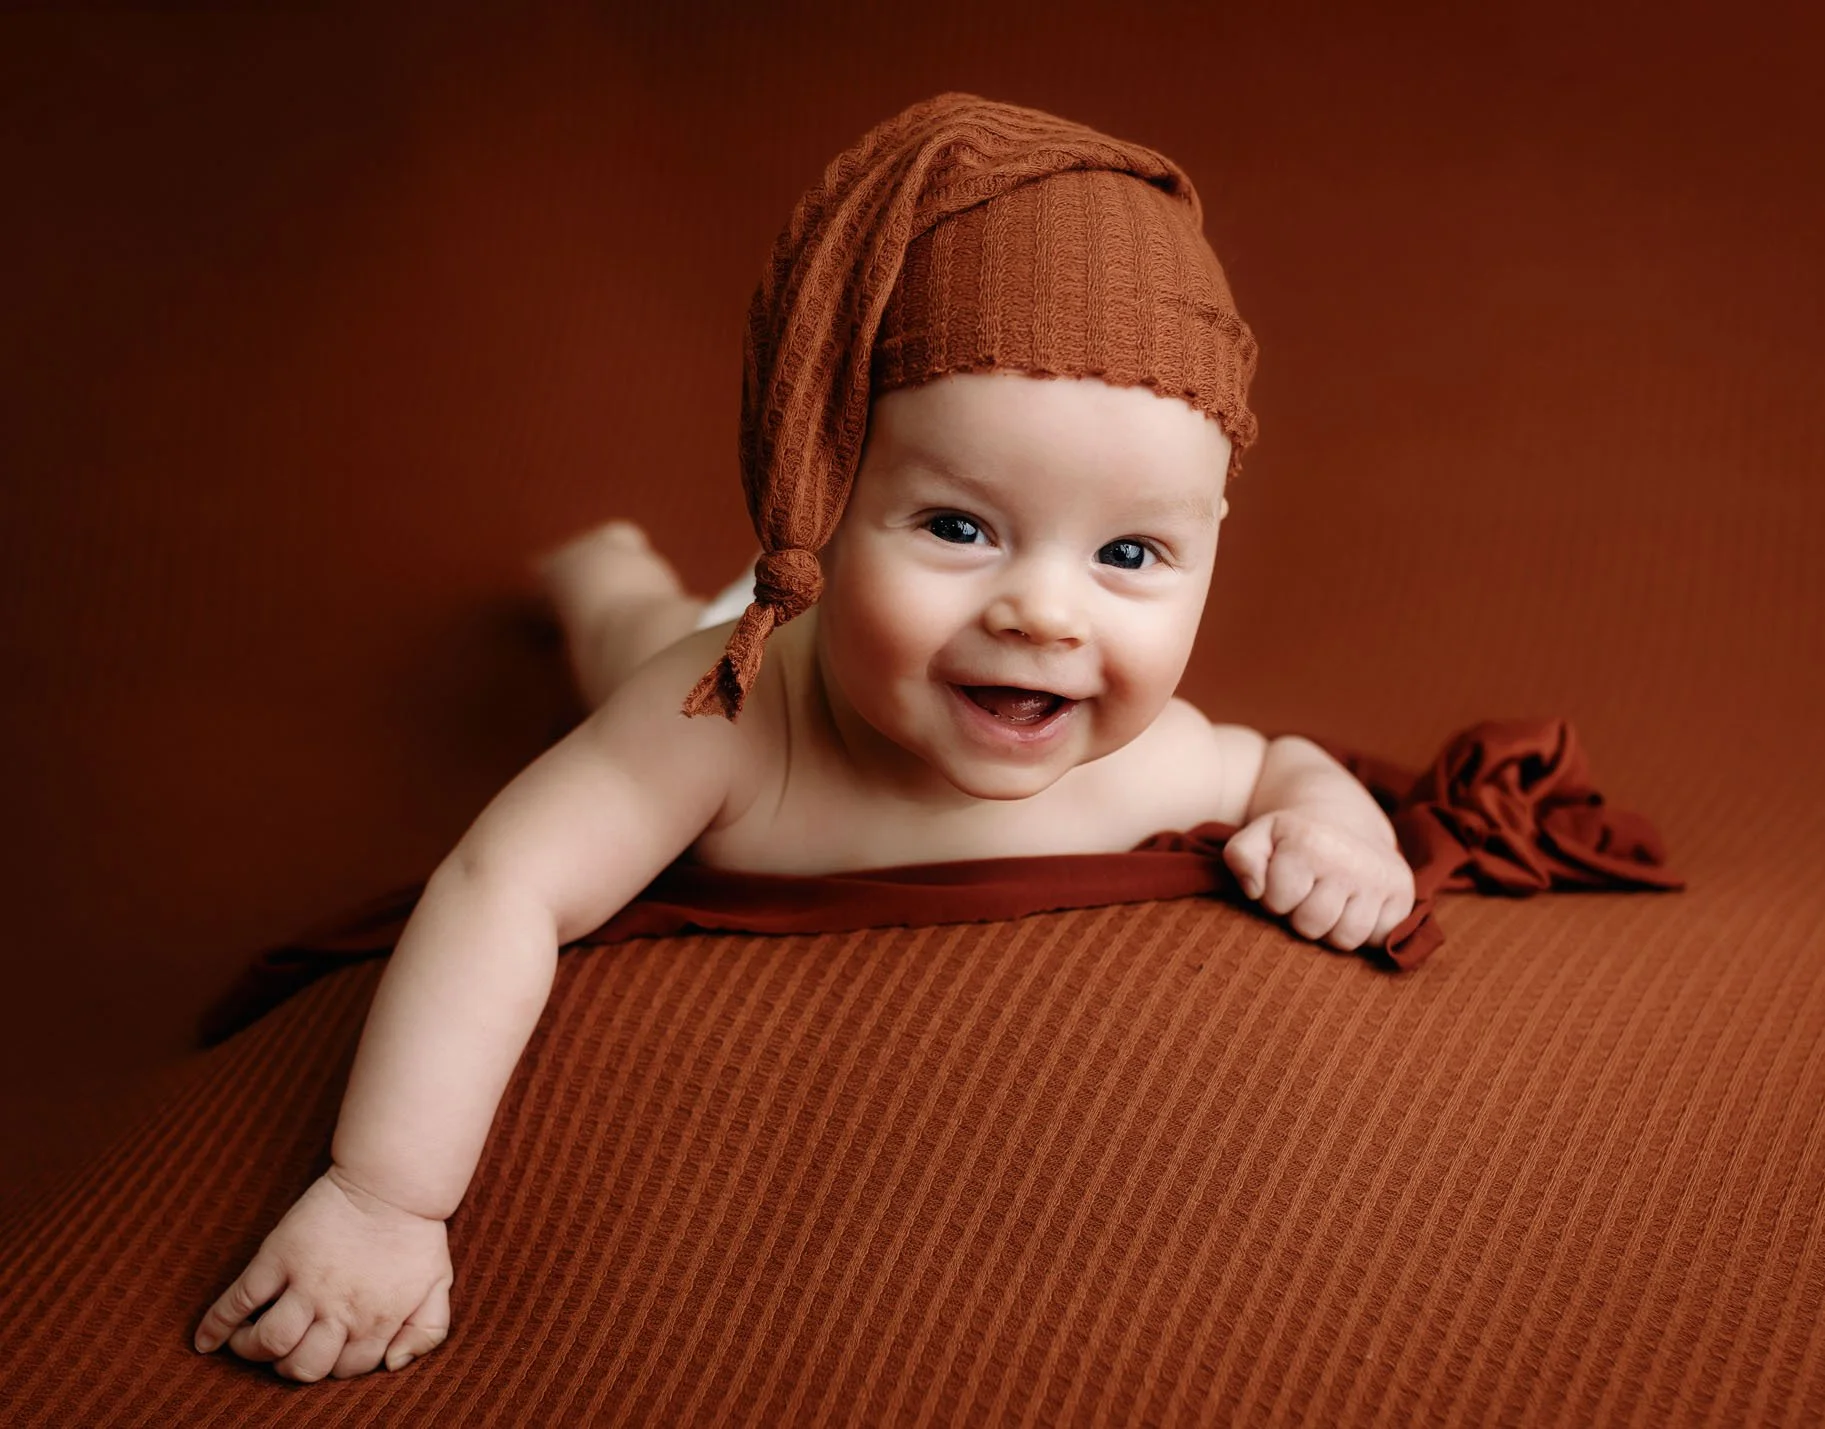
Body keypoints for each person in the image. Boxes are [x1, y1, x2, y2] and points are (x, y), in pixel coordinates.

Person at [191, 93, 1416, 1384]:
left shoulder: (1151, 761)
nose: (1045, 614)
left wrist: (1335, 824)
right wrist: (386, 1198)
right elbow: (504, 888)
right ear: (824, 495)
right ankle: (597, 572)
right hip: (760, 636)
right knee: (640, 634)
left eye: (1128, 554)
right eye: (958, 526)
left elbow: (1274, 760)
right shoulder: (720, 727)